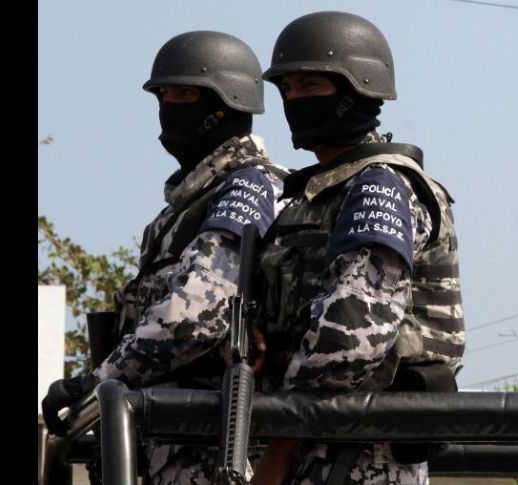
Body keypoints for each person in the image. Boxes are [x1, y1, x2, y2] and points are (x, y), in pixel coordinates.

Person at [41, 30, 289, 484]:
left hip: (215, 452)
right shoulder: (183, 208)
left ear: (228, 102)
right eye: (164, 94)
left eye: (186, 94)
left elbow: (193, 316)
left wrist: (96, 383)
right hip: (165, 446)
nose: (170, 106)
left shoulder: (249, 188)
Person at [250, 11, 465, 485]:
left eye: (310, 86)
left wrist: (281, 445)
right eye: (287, 89)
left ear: (357, 92)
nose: (294, 100)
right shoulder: (309, 196)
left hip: (360, 453)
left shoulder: (380, 187)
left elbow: (352, 335)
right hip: (307, 440)